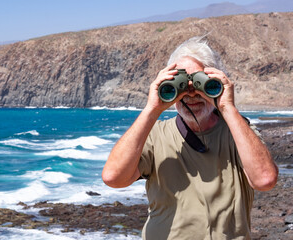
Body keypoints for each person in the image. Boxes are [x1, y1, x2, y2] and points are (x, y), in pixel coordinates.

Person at [102, 36, 278, 239]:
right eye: (182, 85)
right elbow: (113, 177)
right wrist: (152, 108)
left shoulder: (239, 133)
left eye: (201, 83)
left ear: (216, 80)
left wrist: (227, 107)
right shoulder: (155, 135)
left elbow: (264, 180)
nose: (192, 94)